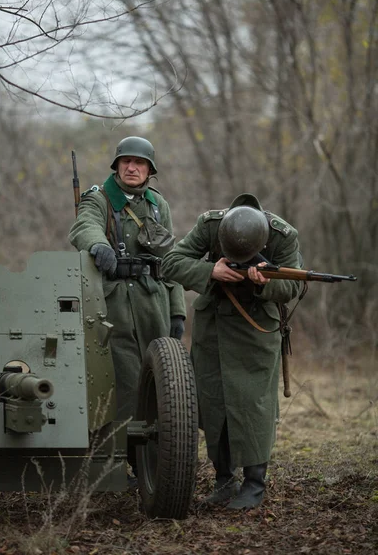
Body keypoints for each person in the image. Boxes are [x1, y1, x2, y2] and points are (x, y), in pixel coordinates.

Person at [161, 193, 301, 510]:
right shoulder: (210, 225)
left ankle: (254, 484)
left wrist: (264, 282)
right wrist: (210, 271)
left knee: (254, 404)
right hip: (213, 328)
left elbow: (292, 286)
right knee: (213, 401)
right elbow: (171, 262)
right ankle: (223, 480)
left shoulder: (283, 235)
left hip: (256, 330)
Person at [68, 136, 186, 478]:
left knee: (163, 383)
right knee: (121, 381)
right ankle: (116, 462)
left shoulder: (157, 205)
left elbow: (171, 259)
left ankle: (157, 461)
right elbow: (84, 225)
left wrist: (177, 309)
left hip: (154, 301)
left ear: (149, 170)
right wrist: (97, 244)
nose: (132, 168)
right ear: (116, 166)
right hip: (114, 303)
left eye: (140, 163)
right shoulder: (99, 197)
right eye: (126, 162)